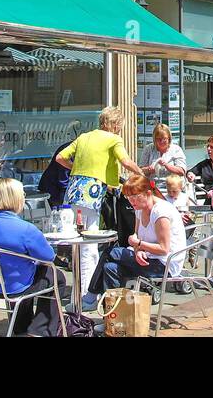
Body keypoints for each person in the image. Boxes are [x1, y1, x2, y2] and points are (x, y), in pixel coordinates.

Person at [51, 106, 144, 295]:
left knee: (77, 241)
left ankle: (82, 289)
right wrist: (141, 174)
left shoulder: (84, 137)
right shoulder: (114, 139)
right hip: (91, 193)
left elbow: (60, 157)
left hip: (74, 189)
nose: (120, 130)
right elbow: (125, 161)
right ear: (116, 124)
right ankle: (88, 292)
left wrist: (76, 168)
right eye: (120, 126)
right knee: (89, 243)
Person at [0, 178, 66, 336]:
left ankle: (20, 327)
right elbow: (48, 257)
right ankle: (41, 330)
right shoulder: (25, 228)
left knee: (23, 272)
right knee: (55, 276)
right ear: (16, 198)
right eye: (23, 194)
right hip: (10, 287)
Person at [84, 175, 185, 309]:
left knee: (109, 252)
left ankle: (90, 296)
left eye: (135, 197)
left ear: (148, 193)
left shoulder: (161, 212)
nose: (132, 202)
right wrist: (137, 250)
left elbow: (164, 249)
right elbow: (137, 236)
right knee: (110, 268)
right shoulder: (139, 209)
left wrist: (138, 245)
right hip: (149, 258)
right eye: (128, 198)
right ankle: (113, 318)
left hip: (165, 264)